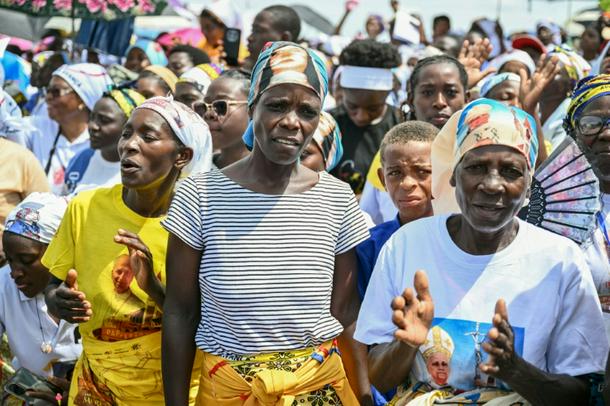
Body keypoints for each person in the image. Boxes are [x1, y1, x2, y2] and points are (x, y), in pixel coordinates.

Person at [355, 98, 608, 405]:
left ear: (529, 186)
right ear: (452, 174)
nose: (492, 184)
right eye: (476, 167)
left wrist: (515, 370)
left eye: (511, 171)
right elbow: (379, 378)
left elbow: (578, 395)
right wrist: (407, 345)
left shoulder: (560, 261)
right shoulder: (407, 245)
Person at [162, 41, 372, 405]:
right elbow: (181, 312)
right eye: (277, 105)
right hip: (230, 391)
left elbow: (346, 312)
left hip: (317, 389)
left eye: (307, 111)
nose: (291, 121)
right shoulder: (200, 195)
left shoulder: (337, 198)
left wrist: (365, 395)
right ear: (252, 108)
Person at [41, 97, 212, 404]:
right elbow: (52, 289)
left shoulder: (200, 224)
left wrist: (153, 288)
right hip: (94, 390)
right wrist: (60, 301)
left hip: (172, 395)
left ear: (182, 156)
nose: (129, 145)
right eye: (126, 133)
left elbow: (206, 323)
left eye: (148, 137)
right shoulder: (85, 208)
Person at [360, 55, 468, 224]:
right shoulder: (389, 155)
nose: (439, 102)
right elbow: (368, 218)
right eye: (427, 93)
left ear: (467, 99)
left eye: (451, 92)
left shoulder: (477, 155)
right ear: (411, 100)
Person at [0, 193, 82, 380]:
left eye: (26, 260)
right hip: (32, 390)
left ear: (61, 250)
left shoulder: (96, 283)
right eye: (10, 260)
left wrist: (72, 391)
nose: (15, 273)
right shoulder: (4, 285)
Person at [356, 121, 437, 300]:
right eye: (395, 173)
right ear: (382, 179)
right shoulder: (370, 246)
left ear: (444, 173)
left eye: (422, 171)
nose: (407, 184)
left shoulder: (463, 238)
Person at [563, 74, 610, 340]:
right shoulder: (551, 210)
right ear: (573, 132)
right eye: (591, 124)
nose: (606, 134)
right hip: (574, 354)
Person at [26, 63, 113, 195]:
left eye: (56, 92)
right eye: (48, 90)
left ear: (82, 99)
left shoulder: (102, 140)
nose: (48, 97)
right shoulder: (37, 128)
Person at [329, 39, 402, 195]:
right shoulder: (326, 125)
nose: (361, 117)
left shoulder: (401, 125)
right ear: (342, 92)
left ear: (387, 95)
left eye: (373, 108)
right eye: (352, 107)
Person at [63, 88, 146, 195]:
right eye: (92, 117)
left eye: (104, 120)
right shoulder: (82, 158)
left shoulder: (138, 172)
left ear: (130, 127)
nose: (92, 126)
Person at [540, 46, 591, 151]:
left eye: (553, 72)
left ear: (569, 86)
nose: (541, 75)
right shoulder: (537, 108)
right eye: (541, 69)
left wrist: (530, 108)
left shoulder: (570, 117)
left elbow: (553, 161)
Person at [200, 69, 250, 169]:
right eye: (204, 106)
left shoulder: (279, 174)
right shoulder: (195, 172)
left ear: (253, 109)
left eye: (221, 105)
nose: (208, 114)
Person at [243, 5, 301, 71]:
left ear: (284, 39)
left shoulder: (291, 75)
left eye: (258, 31)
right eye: (253, 30)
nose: (249, 38)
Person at [198, 0, 247, 65]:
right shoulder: (201, 46)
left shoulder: (240, 54)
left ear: (224, 27)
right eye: (202, 28)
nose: (204, 32)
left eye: (209, 28)